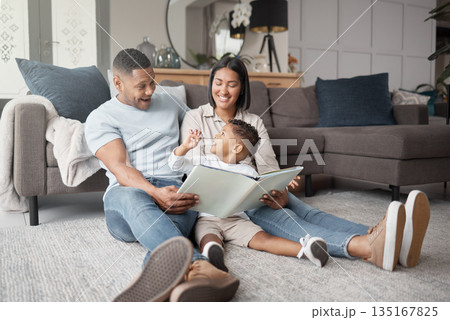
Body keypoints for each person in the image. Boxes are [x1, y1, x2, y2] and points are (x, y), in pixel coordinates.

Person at [180, 56, 431, 272]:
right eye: (218, 83)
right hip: (222, 202)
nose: (223, 90)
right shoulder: (195, 117)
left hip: (254, 190)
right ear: (211, 84)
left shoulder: (253, 121)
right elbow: (192, 167)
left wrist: (279, 189)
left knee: (308, 212)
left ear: (242, 88)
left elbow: (267, 167)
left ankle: (381, 235)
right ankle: (363, 247)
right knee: (285, 217)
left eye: (232, 84)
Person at [84, 49, 239, 302]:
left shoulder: (170, 101)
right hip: (127, 199)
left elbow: (201, 127)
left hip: (174, 190)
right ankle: (202, 267)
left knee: (172, 231)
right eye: (141, 86)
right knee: (133, 198)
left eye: (152, 82)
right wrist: (154, 193)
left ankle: (172, 284)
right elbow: (121, 168)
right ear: (118, 83)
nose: (150, 91)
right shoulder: (101, 118)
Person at [169, 119, 329, 270]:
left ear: (236, 148)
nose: (216, 135)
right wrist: (185, 147)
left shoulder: (248, 171)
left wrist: (281, 182)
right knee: (208, 238)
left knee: (264, 239)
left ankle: (306, 250)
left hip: (237, 220)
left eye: (222, 134)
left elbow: (261, 192)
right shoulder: (204, 161)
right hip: (206, 218)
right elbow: (175, 165)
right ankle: (212, 253)